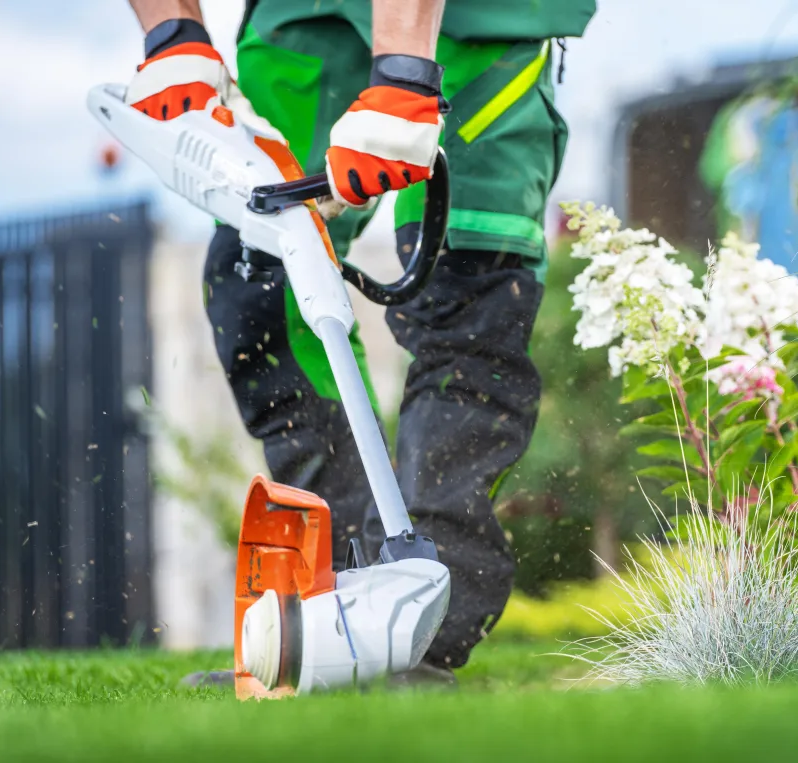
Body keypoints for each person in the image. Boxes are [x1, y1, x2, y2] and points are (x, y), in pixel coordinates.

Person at [123, 0, 594, 685]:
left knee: (470, 290)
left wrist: (403, 70)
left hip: (480, 22)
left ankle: (418, 632)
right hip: (304, 19)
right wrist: (172, 34)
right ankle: (335, 609)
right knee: (261, 279)